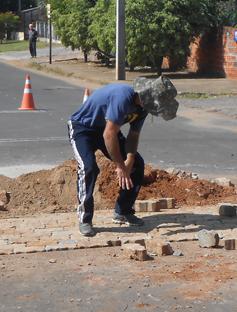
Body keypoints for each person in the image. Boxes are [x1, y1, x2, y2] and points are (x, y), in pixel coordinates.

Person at [67, 76, 179, 236]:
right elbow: (109, 135)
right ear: (148, 98)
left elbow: (133, 136)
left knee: (137, 164)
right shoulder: (123, 98)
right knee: (88, 168)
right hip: (83, 128)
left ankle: (123, 211)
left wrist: (129, 161)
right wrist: (120, 166)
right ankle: (85, 219)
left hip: (106, 130)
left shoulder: (142, 108)